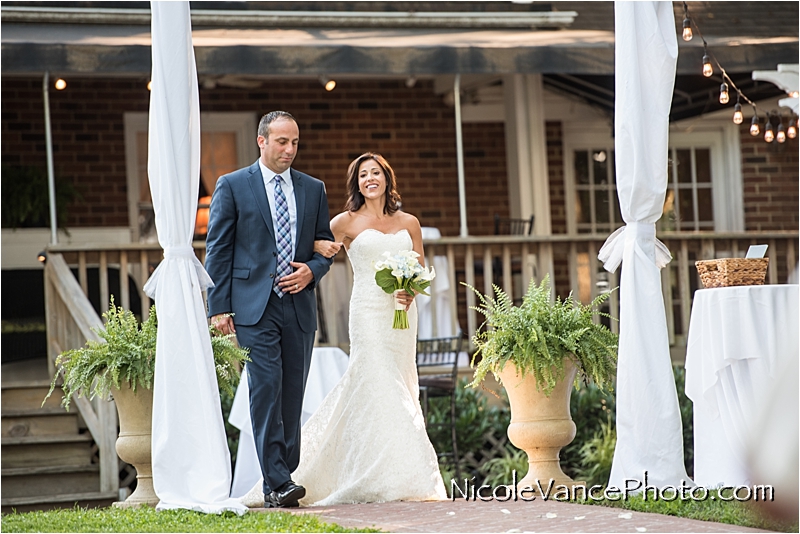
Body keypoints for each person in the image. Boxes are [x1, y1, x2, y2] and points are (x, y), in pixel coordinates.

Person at [240, 152, 447, 507]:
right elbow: (311, 244)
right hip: (367, 312)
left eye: (376, 173)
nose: (370, 179)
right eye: (363, 174)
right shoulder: (345, 222)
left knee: (399, 384)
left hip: (400, 315)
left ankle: (392, 469)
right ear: (357, 183)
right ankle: (387, 473)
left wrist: (410, 291)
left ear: (386, 178)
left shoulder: (409, 222)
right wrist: (317, 248)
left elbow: (422, 269)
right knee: (378, 379)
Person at [205, 111, 338, 509]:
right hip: (252, 307)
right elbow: (218, 249)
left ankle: (283, 473)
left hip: (297, 306)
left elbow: (325, 245)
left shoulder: (313, 189)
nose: (289, 150)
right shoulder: (232, 186)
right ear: (261, 141)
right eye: (282, 141)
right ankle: (277, 480)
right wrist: (219, 307)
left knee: (292, 395)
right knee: (266, 388)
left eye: (295, 142)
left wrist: (311, 273)